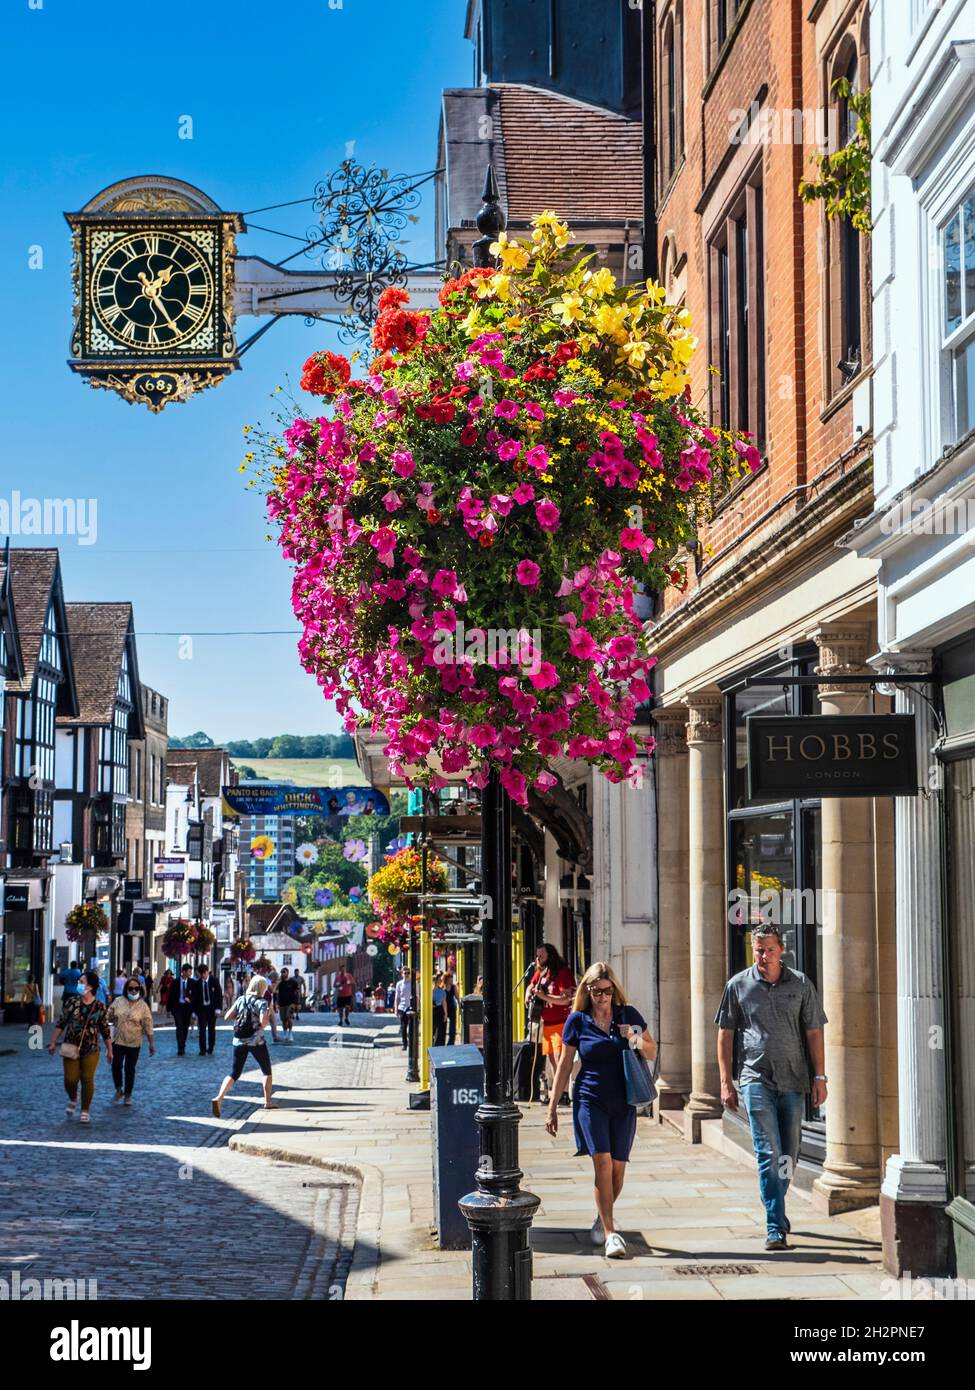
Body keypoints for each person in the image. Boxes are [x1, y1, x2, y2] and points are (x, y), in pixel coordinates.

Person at [716, 926, 828, 1252]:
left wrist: (820, 1077)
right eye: (758, 950)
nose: (763, 956)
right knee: (768, 1153)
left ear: (782, 949)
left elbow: (813, 1033)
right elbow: (724, 1036)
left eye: (768, 950)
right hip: (755, 1079)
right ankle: (775, 1227)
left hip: (794, 1081)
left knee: (789, 1154)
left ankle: (775, 1204)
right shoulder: (738, 986)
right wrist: (726, 1082)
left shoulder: (801, 984)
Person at [545, 962, 656, 1260]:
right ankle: (610, 1234)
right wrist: (553, 1107)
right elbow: (566, 1064)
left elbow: (652, 1050)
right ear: (588, 991)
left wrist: (631, 1037)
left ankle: (600, 1217)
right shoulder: (577, 1021)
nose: (602, 997)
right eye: (596, 991)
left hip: (624, 1101)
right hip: (589, 1098)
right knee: (603, 1164)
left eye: (607, 991)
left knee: (618, 1169)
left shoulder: (628, 1015)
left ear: (614, 990)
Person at [47, 969, 113, 1124]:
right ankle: (73, 1098)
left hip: (91, 1048)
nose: (79, 985)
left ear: (90, 987)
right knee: (70, 1079)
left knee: (87, 1078)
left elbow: (105, 1030)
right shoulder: (72, 1003)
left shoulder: (100, 1007)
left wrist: (110, 1050)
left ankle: (85, 1110)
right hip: (70, 1046)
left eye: (81, 982)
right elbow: (61, 1022)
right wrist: (52, 1042)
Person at [211, 976, 275, 1116]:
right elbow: (263, 1023)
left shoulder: (241, 999)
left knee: (234, 1073)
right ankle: (267, 1102)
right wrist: (266, 1015)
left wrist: (241, 1016)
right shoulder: (262, 1002)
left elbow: (227, 1016)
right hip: (256, 1041)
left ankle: (219, 1097)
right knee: (266, 1070)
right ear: (262, 988)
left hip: (239, 1041)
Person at [527, 943, 576, 1105]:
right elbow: (531, 985)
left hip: (561, 1021)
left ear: (550, 955)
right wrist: (529, 994)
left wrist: (544, 997)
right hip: (547, 1022)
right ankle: (558, 1091)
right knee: (553, 1060)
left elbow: (566, 999)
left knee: (560, 1058)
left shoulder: (562, 973)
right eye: (537, 955)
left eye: (541, 955)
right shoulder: (543, 972)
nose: (537, 958)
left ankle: (563, 1093)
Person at [106, 976, 155, 1105]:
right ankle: (118, 1089)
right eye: (131, 988)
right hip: (118, 1040)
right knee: (116, 1065)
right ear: (126, 989)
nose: (133, 991)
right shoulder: (118, 1001)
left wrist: (151, 1043)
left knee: (129, 1068)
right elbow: (107, 1015)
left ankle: (128, 1094)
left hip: (134, 1042)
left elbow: (148, 1025)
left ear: (140, 989)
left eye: (136, 989)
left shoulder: (143, 1006)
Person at [191, 963, 223, 1056]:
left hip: (212, 1009)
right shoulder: (197, 983)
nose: (203, 976)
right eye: (200, 975)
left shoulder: (214, 981)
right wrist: (194, 1011)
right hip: (202, 1009)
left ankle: (211, 1047)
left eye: (204, 974)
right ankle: (202, 1049)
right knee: (202, 1029)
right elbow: (195, 998)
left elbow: (218, 995)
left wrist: (218, 1008)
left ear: (207, 972)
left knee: (211, 1028)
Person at [169, 963, 195, 1055]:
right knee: (179, 1027)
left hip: (187, 1008)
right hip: (178, 1008)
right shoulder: (175, 982)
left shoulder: (192, 982)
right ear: (183, 972)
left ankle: (183, 1044)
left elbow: (195, 995)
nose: (190, 973)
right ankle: (180, 1048)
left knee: (185, 1027)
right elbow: (171, 996)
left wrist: (190, 999)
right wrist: (170, 1010)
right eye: (189, 971)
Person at [277, 968, 301, 1043]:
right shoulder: (280, 983)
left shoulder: (293, 982)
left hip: (291, 1003)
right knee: (283, 1020)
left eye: (284, 972)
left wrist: (298, 1003)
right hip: (282, 1004)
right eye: (281, 972)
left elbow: (297, 992)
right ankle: (285, 1033)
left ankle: (290, 1033)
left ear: (287, 972)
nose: (283, 974)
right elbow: (275, 991)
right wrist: (278, 982)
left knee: (289, 1017)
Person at [393, 966, 413, 1051]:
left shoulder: (413, 983)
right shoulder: (399, 984)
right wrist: (396, 1009)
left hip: (410, 1006)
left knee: (412, 1027)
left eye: (408, 973)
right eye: (405, 973)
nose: (407, 974)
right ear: (402, 974)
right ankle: (405, 1044)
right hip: (402, 1007)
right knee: (403, 1027)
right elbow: (397, 997)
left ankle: (412, 1042)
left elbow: (418, 996)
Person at [442, 971, 459, 1045]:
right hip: (444, 1008)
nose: (451, 979)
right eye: (450, 978)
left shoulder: (453, 987)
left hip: (452, 1007)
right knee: (443, 1025)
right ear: (446, 979)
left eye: (452, 978)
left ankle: (451, 1042)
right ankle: (442, 1041)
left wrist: (460, 1003)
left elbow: (457, 997)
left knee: (452, 1026)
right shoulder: (443, 987)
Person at [431, 973, 447, 1048]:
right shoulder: (429, 991)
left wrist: (445, 1013)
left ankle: (436, 1046)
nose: (440, 981)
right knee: (431, 1030)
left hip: (440, 1010)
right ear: (434, 981)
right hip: (431, 1010)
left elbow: (444, 1002)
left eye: (441, 980)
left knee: (439, 1029)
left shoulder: (442, 991)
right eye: (439, 980)